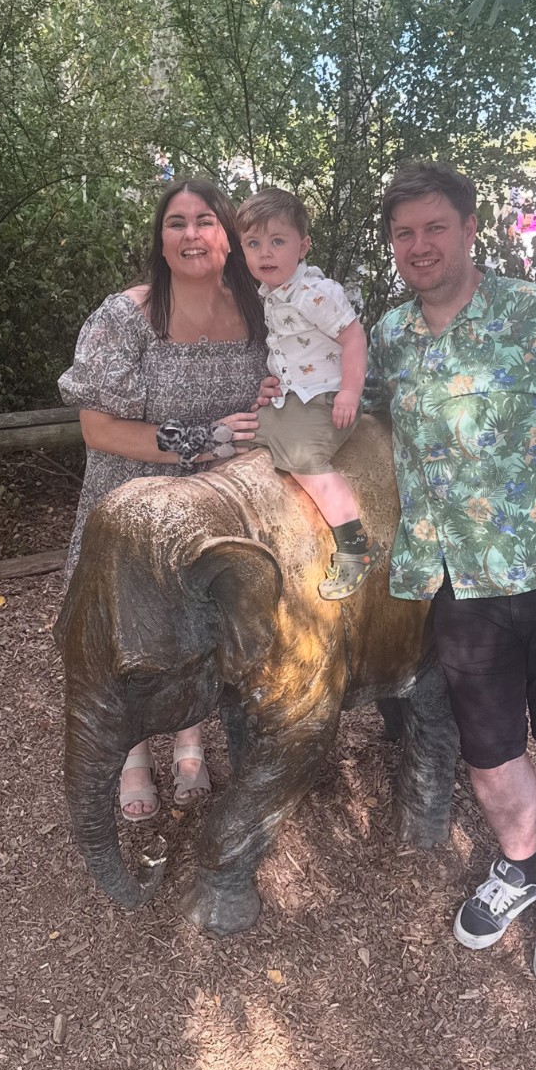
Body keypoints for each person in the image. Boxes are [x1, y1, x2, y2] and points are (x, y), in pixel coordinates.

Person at [370, 162, 536, 989]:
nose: (419, 246)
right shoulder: (390, 337)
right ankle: (521, 865)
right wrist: (286, 398)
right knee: (488, 752)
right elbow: (359, 415)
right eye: (404, 234)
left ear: (469, 229)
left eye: (434, 228)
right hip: (460, 586)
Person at [59, 178, 268, 821]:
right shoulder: (125, 318)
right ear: (160, 239)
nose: (191, 234)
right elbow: (98, 429)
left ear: (230, 237)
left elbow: (297, 380)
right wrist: (206, 440)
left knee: (199, 630)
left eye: (205, 221)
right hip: (133, 503)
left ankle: (189, 740)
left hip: (215, 509)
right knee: (132, 640)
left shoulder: (263, 310)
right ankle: (132, 754)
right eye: (176, 223)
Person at [236, 186, 374, 600]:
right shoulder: (273, 293)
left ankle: (354, 545)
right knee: (244, 433)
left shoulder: (315, 293)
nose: (265, 253)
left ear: (303, 246)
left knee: (302, 458)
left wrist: (350, 393)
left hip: (327, 397)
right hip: (295, 397)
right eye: (254, 244)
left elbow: (353, 337)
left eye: (278, 241)